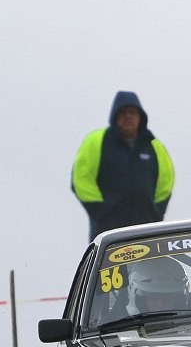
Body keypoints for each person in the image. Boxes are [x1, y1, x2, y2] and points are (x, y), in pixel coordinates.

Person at [71, 91, 175, 241]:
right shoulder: (96, 141)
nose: (128, 117)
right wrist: (101, 211)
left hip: (145, 231)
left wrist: (156, 213)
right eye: (123, 113)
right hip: (108, 233)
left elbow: (166, 182)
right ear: (115, 116)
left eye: (132, 112)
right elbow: (81, 178)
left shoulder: (154, 146)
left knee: (146, 265)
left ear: (140, 117)